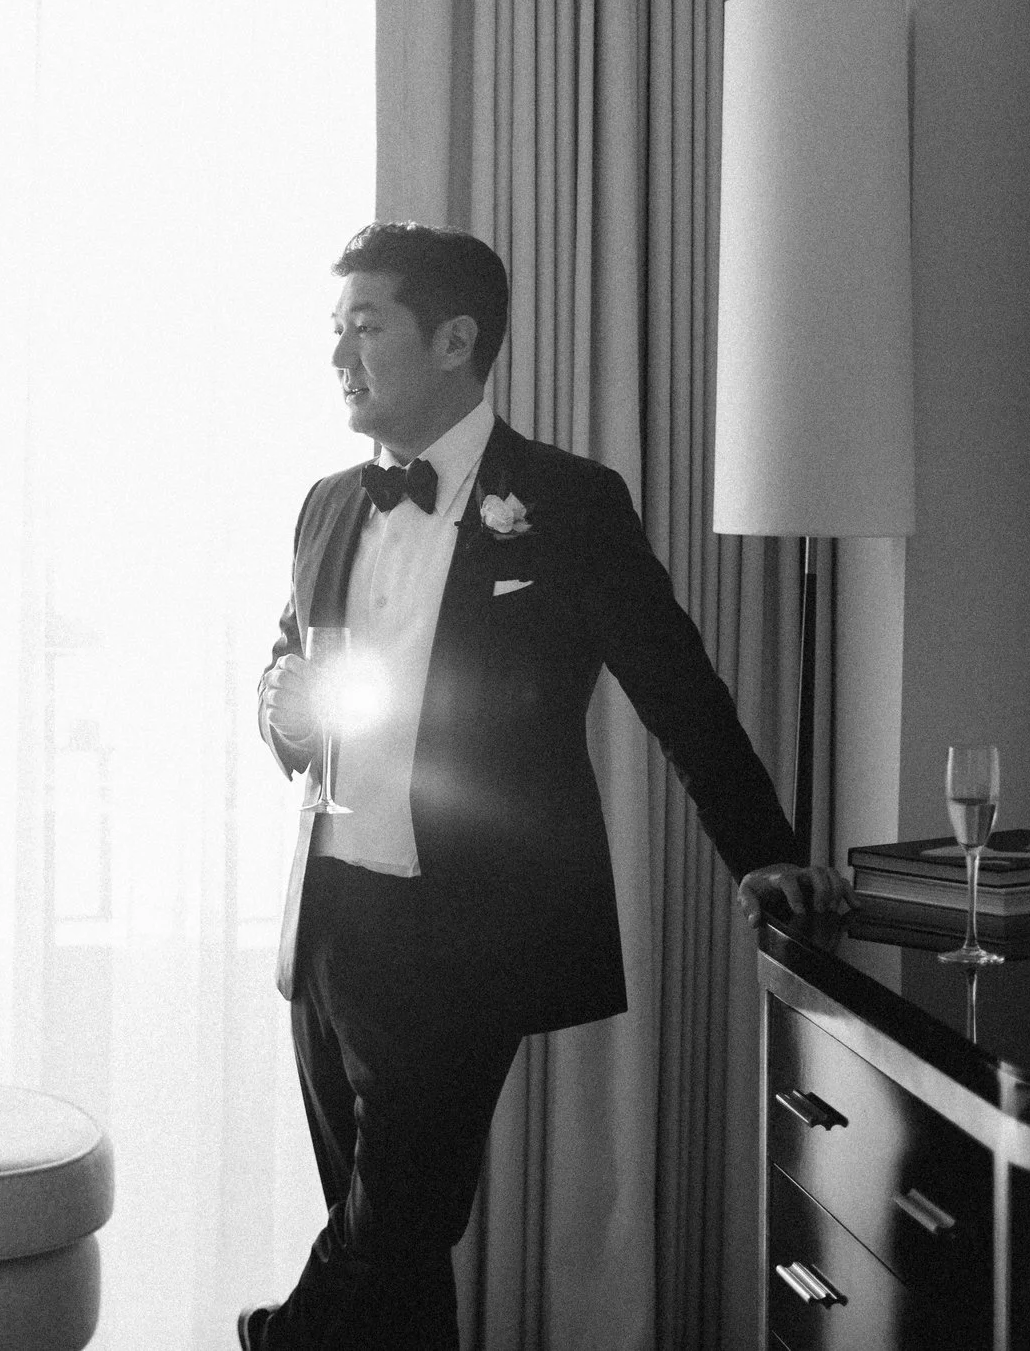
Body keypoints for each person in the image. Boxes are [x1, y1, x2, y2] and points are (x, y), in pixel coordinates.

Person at [237, 223, 850, 1350]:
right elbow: (290, 671)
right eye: (335, 329)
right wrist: (278, 701)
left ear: (455, 339)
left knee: (391, 1221)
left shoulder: (567, 500)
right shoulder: (327, 503)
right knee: (395, 1252)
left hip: (465, 925)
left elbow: (676, 685)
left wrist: (763, 847)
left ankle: (272, 1337)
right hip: (331, 923)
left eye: (365, 327)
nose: (338, 355)